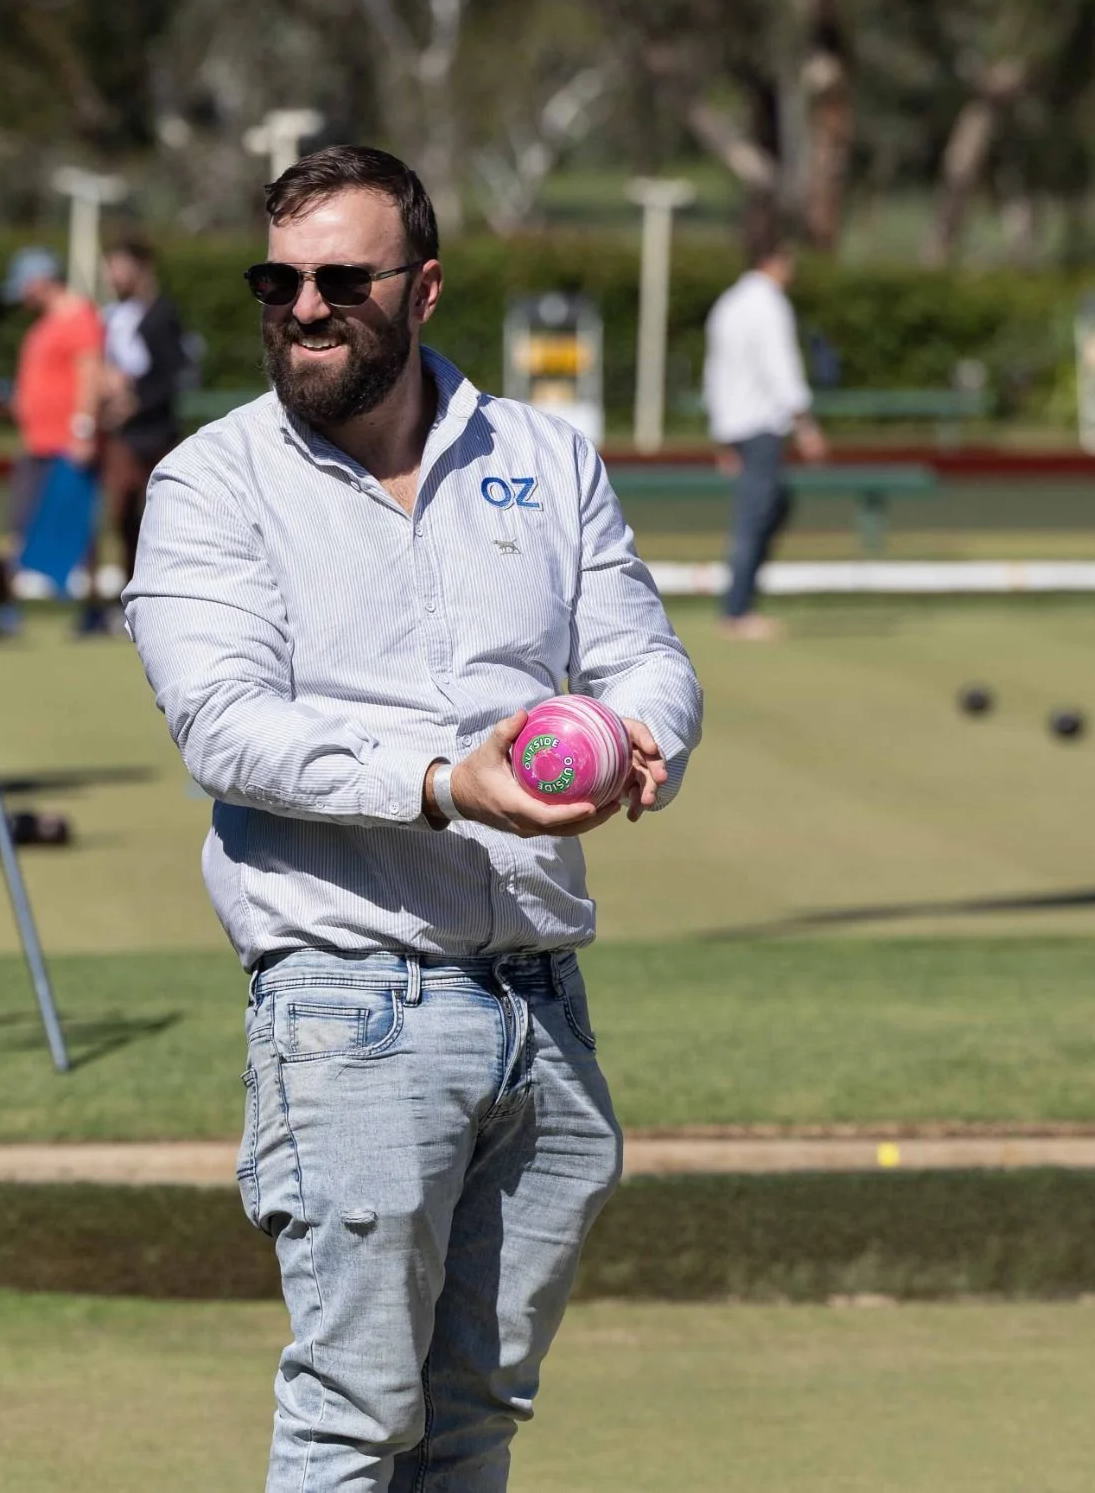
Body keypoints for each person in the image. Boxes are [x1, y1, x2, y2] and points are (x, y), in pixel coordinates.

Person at [124, 145, 703, 1490]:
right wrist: (450, 782)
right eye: (280, 279)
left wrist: (636, 731)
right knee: (352, 1414)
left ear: (425, 286)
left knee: (477, 1411)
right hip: (351, 998)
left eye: (342, 278)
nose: (306, 305)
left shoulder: (543, 455)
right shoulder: (211, 484)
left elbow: (645, 650)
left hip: (543, 1000)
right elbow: (225, 725)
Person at [701, 221, 826, 640]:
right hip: (759, 427)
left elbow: (715, 373)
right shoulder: (768, 304)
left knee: (771, 506)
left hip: (737, 426)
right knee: (755, 516)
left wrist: (721, 436)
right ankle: (738, 611)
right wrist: (805, 426)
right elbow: (782, 369)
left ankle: (740, 603)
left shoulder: (729, 303)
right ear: (775, 259)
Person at [89, 238, 191, 635]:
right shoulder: (114, 315)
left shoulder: (162, 314)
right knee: (122, 518)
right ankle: (127, 602)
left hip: (155, 433)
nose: (112, 276)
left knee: (160, 519)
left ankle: (166, 600)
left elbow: (172, 376)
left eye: (118, 266)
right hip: (124, 434)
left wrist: (135, 403)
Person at [0, 245, 110, 593]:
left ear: (40, 281)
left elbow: (89, 374)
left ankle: (83, 599)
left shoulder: (78, 317)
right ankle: (21, 592)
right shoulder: (46, 324)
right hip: (39, 441)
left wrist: (83, 429)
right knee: (22, 520)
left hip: (64, 442)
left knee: (71, 521)